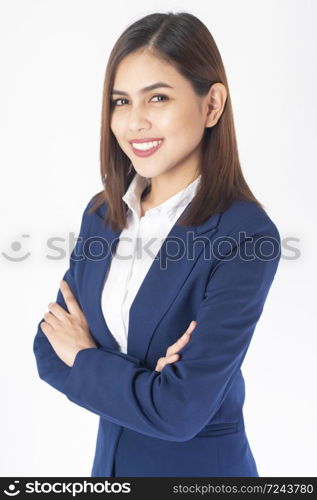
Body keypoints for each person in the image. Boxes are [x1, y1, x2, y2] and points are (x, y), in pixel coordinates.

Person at [33, 11, 281, 477]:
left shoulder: (245, 236)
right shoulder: (102, 215)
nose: (134, 122)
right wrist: (148, 381)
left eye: (159, 98)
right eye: (121, 101)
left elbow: (180, 411)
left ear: (212, 105)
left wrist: (87, 355)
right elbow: (48, 350)